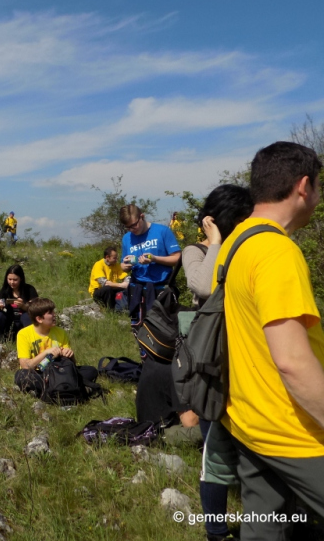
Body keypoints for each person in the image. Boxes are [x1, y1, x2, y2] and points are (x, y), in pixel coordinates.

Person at [213, 142, 324, 539]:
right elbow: (292, 361)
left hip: (247, 422)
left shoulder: (235, 244)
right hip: (296, 432)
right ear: (304, 186)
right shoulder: (277, 252)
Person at [181, 184, 253, 541]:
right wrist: (215, 242)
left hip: (248, 356)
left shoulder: (248, 247)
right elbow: (205, 285)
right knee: (215, 451)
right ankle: (216, 531)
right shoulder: (195, 251)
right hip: (214, 360)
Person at [14, 298, 96, 395]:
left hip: (59, 371)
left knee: (91, 371)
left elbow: (71, 364)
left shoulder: (61, 333)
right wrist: (46, 353)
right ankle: (68, 387)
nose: (54, 315)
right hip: (39, 374)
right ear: (39, 319)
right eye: (50, 313)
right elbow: (25, 366)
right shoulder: (23, 334)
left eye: (53, 311)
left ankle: (47, 389)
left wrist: (70, 355)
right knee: (21, 376)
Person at [119, 204, 180, 319]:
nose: (132, 229)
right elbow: (122, 265)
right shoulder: (127, 238)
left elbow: (177, 258)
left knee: (165, 328)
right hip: (138, 290)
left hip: (161, 289)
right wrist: (127, 265)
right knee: (140, 329)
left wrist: (155, 259)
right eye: (128, 227)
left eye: (134, 225)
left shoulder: (162, 231)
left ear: (142, 216)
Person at [0, 264, 38, 341]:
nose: (12, 282)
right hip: (9, 321)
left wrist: (23, 306)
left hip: (24, 320)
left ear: (21, 278)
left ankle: (32, 340)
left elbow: (36, 309)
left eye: (15, 280)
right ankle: (0, 340)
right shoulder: (4, 291)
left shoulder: (29, 289)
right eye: (9, 279)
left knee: (26, 316)